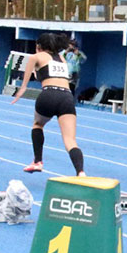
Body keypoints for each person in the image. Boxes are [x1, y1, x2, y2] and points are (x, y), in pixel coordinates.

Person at [12, 33, 85, 176]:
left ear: (39, 46)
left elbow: (26, 82)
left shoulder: (36, 57)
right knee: (70, 140)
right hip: (67, 97)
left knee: (38, 125)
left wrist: (21, 91)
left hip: (49, 95)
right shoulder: (62, 59)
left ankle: (38, 161)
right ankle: (80, 172)